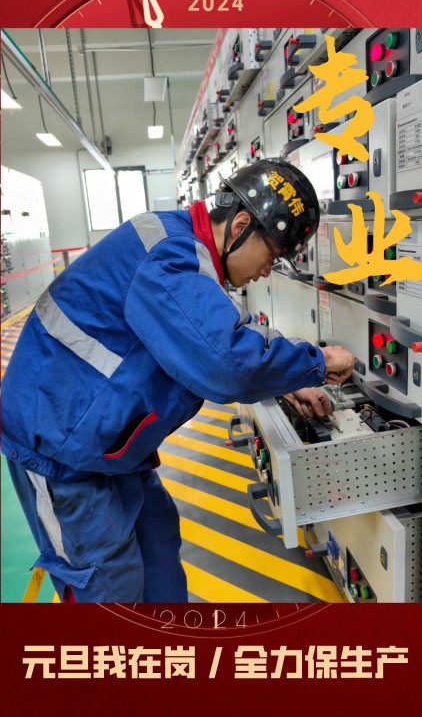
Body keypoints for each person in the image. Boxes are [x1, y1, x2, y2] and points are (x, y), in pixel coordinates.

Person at [1, 158, 355, 603]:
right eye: (271, 256)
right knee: (107, 585)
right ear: (240, 226)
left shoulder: (188, 250)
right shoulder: (167, 256)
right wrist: (316, 361)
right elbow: (227, 364)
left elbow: (222, 325)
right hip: (58, 447)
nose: (267, 271)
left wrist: (289, 380)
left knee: (158, 552)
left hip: (106, 441)